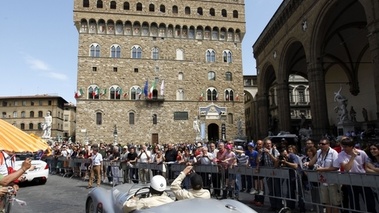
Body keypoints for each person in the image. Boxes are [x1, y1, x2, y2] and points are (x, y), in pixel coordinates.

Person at [337, 138, 376, 213]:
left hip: (363, 179)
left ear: (351, 146)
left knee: (369, 201)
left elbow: (368, 165)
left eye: (345, 147)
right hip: (350, 180)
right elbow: (347, 168)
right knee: (354, 203)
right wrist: (352, 157)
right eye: (343, 146)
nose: (343, 149)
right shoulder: (341, 155)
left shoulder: (362, 153)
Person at [305, 138, 340, 213]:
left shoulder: (333, 153)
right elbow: (312, 162)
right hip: (323, 181)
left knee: (334, 202)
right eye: (320, 144)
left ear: (328, 144)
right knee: (327, 202)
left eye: (323, 144)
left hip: (332, 181)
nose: (321, 145)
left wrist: (323, 169)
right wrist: (307, 163)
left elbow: (336, 167)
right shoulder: (319, 152)